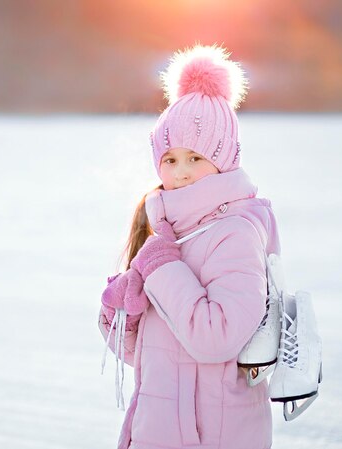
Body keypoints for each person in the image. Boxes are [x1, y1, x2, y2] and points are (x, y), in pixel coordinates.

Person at [98, 43, 282, 449]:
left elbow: (216, 339)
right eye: (170, 158)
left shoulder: (235, 232)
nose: (180, 173)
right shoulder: (166, 228)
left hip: (213, 436)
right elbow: (147, 357)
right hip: (157, 431)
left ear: (225, 158)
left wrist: (162, 270)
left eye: (195, 158)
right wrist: (123, 315)